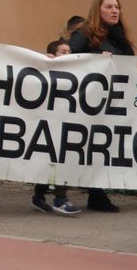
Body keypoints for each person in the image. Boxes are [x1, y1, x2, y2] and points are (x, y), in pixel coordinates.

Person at [69, 0, 136, 213]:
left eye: (117, 6)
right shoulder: (84, 33)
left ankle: (97, 192)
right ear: (98, 10)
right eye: (109, 7)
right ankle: (93, 192)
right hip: (89, 103)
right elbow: (71, 59)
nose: (115, 10)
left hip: (111, 102)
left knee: (103, 146)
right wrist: (97, 57)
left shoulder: (119, 36)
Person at [33, 38, 83, 216]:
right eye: (63, 52)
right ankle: (59, 199)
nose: (68, 55)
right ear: (53, 54)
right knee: (54, 160)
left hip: (66, 122)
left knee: (59, 160)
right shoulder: (46, 69)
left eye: (69, 52)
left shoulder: (77, 71)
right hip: (49, 123)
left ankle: (40, 197)